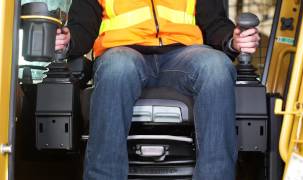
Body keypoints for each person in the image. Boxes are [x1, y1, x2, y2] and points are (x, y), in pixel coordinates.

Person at [55, 0, 260, 179]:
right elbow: (82, 27)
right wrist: (67, 41)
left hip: (183, 54)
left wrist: (233, 41)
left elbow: (215, 23)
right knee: (117, 67)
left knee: (217, 66)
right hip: (122, 53)